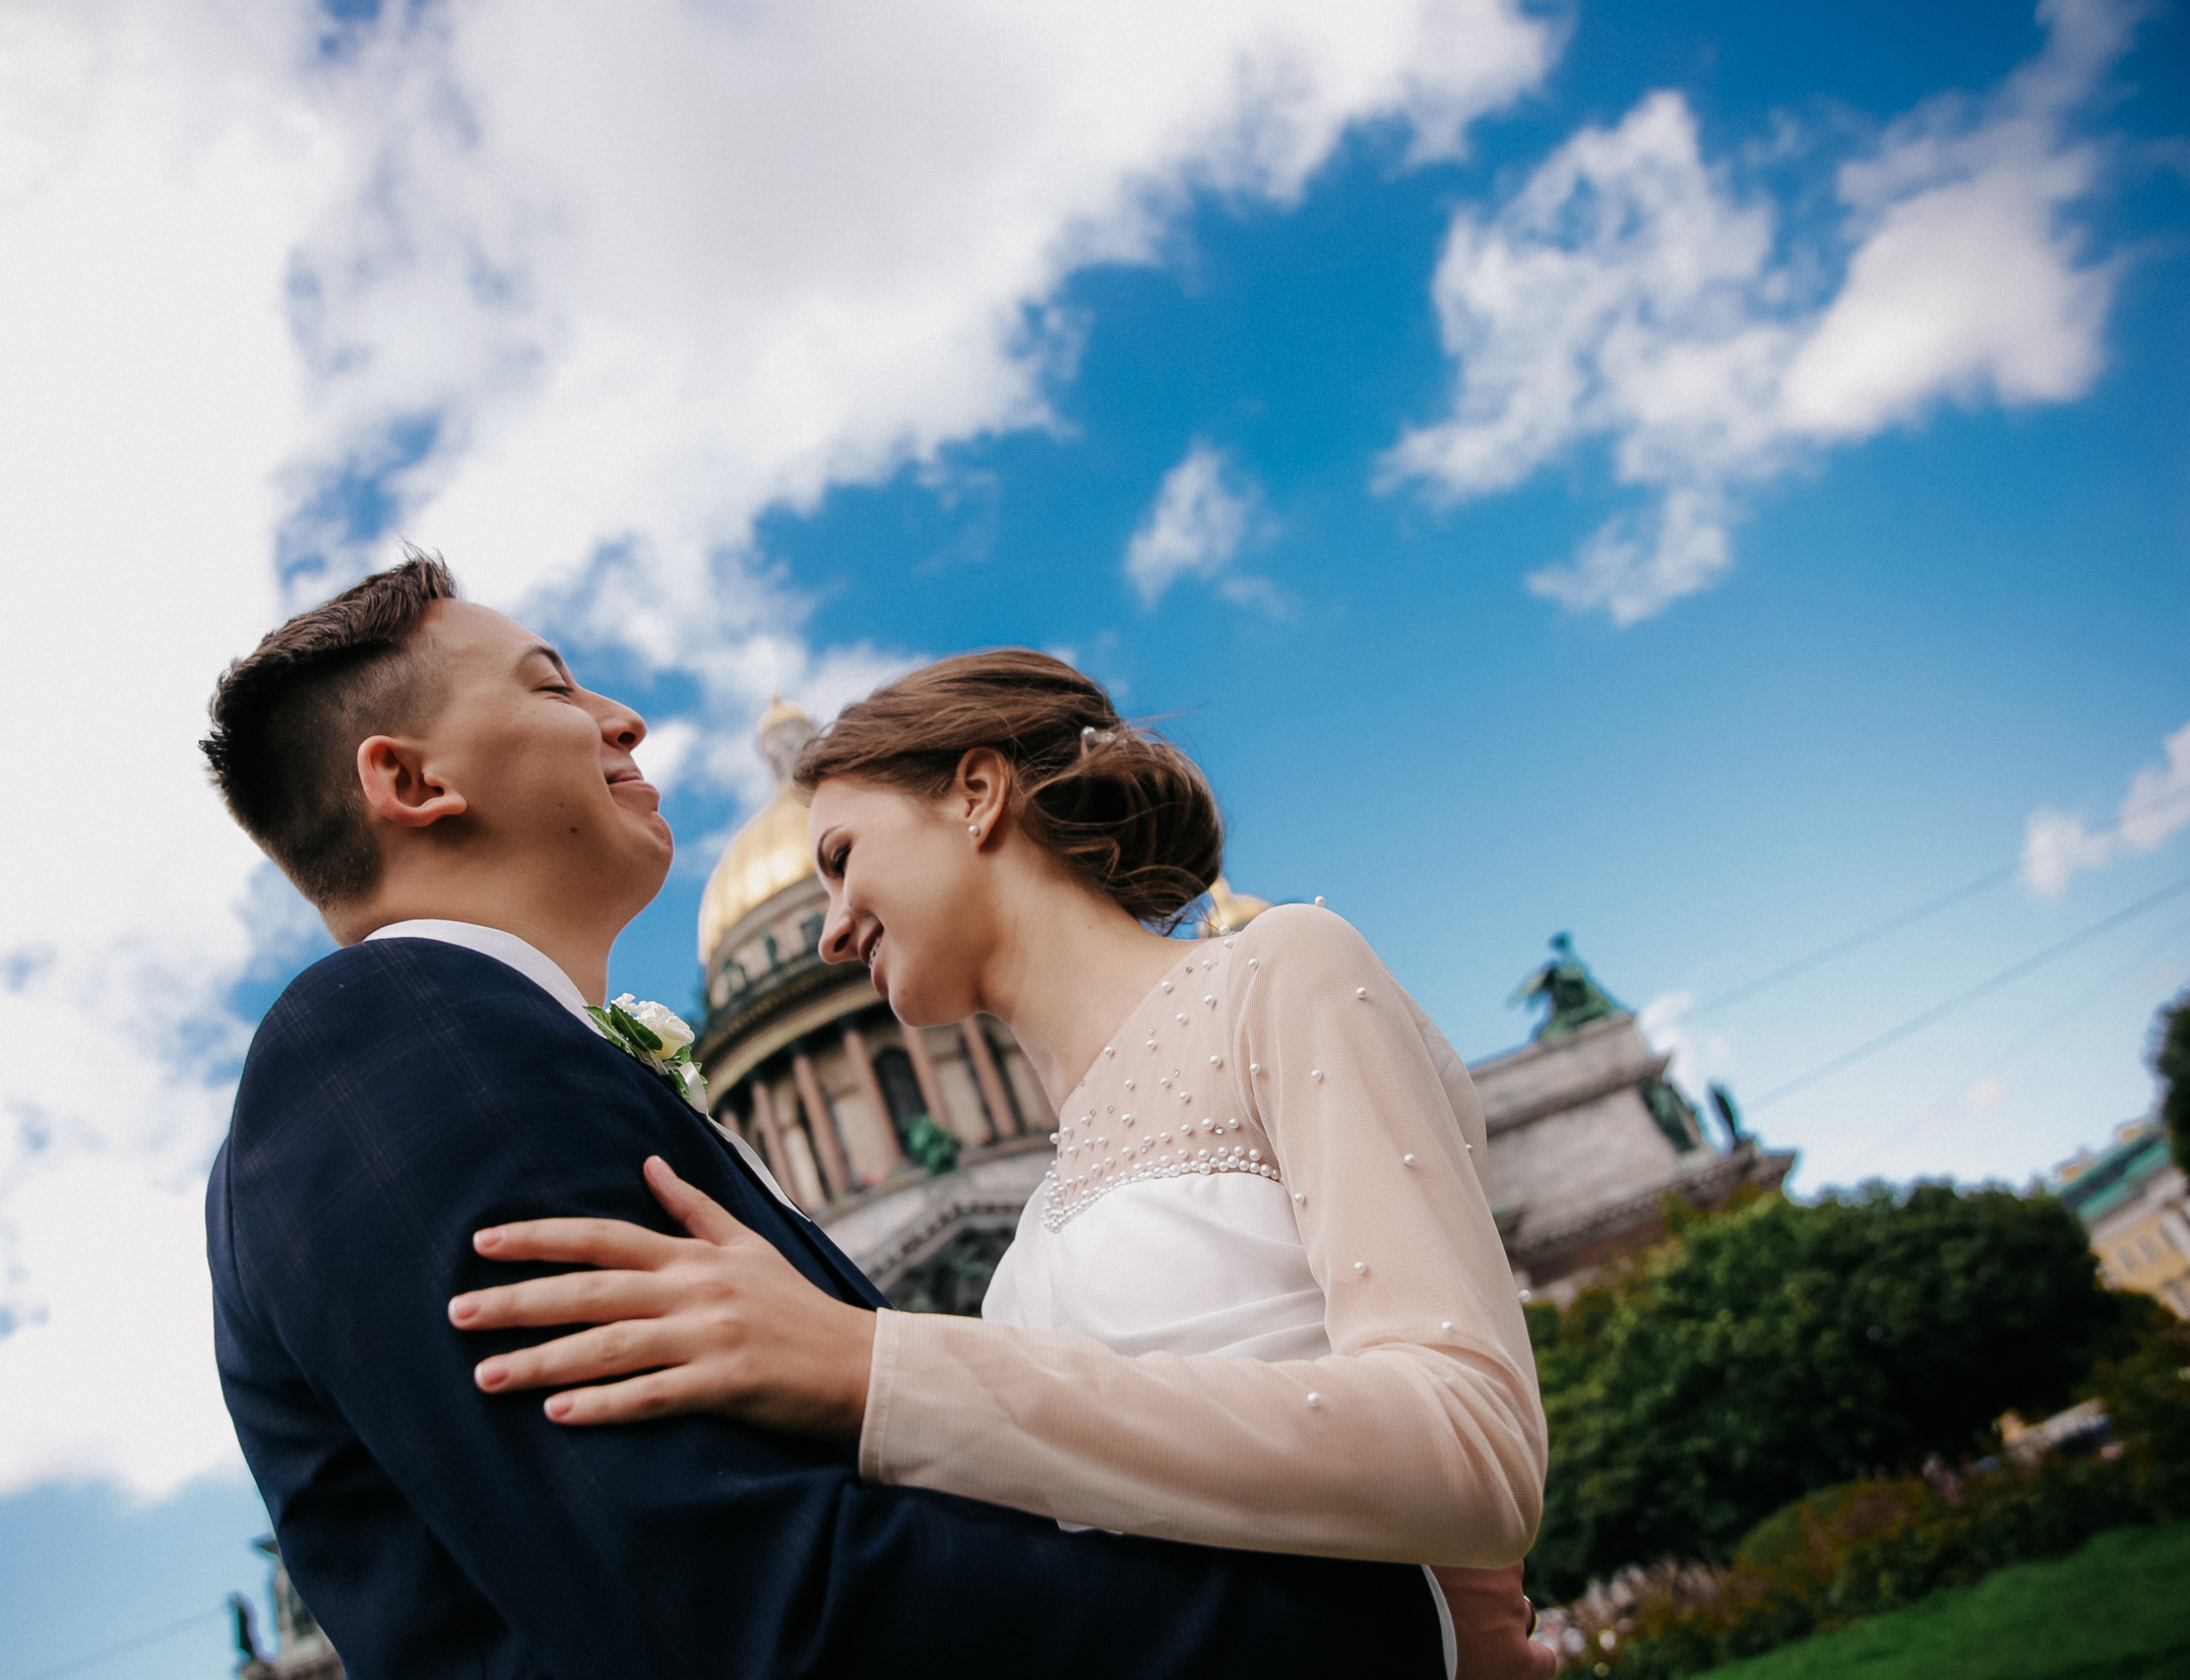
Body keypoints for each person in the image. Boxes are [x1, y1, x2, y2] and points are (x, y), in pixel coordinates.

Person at [201, 556, 1452, 1678]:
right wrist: (1399, 1634)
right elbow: (746, 1604)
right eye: (550, 688)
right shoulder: (397, 1033)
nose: (621, 716)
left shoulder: (469, 1050)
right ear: (411, 780)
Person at [444, 651, 1555, 1678]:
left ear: (976, 795)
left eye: (841, 859)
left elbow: (1472, 1446)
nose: (832, 932)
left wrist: (873, 1369)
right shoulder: (1028, 1242)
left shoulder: (1276, 968)